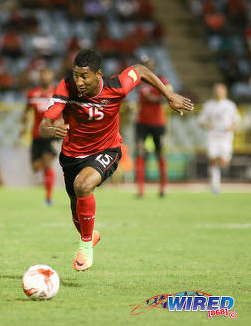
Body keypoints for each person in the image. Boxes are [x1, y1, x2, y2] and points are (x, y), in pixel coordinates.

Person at [39, 49, 193, 271]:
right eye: (76, 75)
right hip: (72, 155)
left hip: (107, 150)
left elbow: (140, 70)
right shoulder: (66, 86)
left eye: (84, 76)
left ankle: (84, 245)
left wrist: (170, 96)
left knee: (82, 186)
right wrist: (52, 130)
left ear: (98, 74)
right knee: (76, 206)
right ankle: (89, 237)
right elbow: (44, 126)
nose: (79, 82)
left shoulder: (116, 86)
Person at [20, 67, 59, 205]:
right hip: (36, 134)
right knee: (36, 167)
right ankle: (45, 173)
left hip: (51, 133)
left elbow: (65, 112)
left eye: (47, 73)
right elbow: (26, 111)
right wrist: (23, 127)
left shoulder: (57, 93)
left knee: (48, 163)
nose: (44, 77)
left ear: (51, 76)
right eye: (42, 74)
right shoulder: (32, 94)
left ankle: (48, 198)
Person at [134, 56, 170, 197]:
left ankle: (162, 188)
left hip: (158, 122)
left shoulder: (161, 79)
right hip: (142, 121)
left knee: (159, 153)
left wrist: (153, 99)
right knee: (140, 152)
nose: (146, 67)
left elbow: (167, 95)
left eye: (148, 64)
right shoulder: (138, 81)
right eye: (144, 64)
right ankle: (141, 190)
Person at [199, 83, 240, 194]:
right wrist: (208, 125)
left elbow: (236, 120)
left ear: (225, 92)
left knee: (223, 162)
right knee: (213, 160)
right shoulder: (208, 105)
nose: (218, 93)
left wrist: (230, 128)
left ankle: (218, 178)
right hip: (212, 136)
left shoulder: (230, 105)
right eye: (216, 91)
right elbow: (201, 120)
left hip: (225, 137)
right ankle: (215, 185)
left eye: (220, 90)